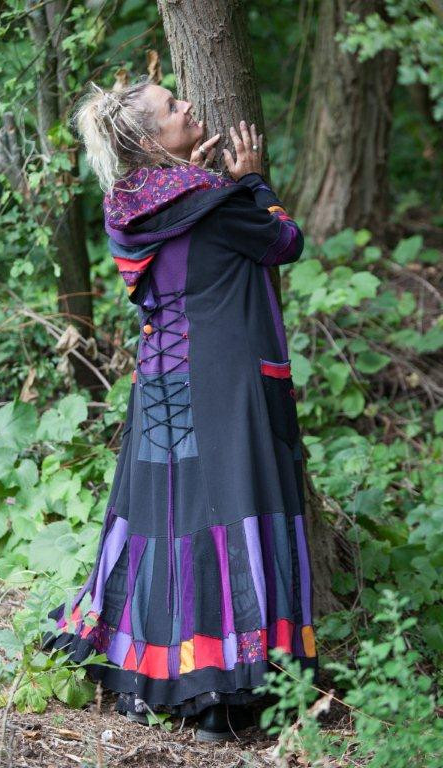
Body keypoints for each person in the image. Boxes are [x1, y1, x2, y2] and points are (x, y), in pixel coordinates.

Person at [44, 77, 318, 742]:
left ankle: (157, 673)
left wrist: (207, 181)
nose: (189, 105)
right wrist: (253, 182)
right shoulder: (217, 201)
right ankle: (223, 694)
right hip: (225, 379)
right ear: (147, 140)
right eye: (172, 106)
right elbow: (285, 242)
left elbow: (180, 247)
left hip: (161, 382)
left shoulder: (125, 208)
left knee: (172, 517)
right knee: (229, 509)